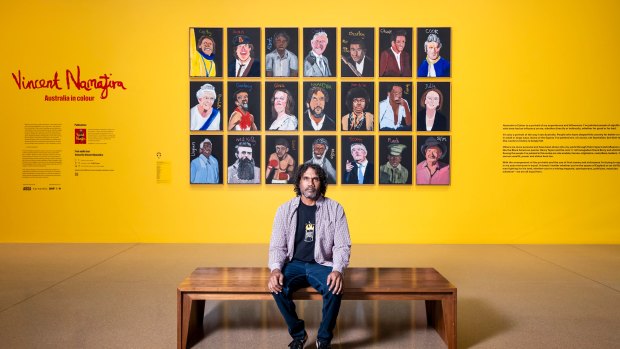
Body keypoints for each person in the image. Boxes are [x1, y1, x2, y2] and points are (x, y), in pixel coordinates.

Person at [268, 163, 351, 349]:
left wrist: (338, 270)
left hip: (321, 264)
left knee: (334, 287)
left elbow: (342, 245)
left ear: (321, 182)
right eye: (306, 178)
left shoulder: (335, 209)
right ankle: (298, 334)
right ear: (299, 181)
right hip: (293, 264)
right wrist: (275, 269)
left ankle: (323, 338)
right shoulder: (284, 210)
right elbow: (277, 246)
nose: (310, 183)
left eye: (315, 179)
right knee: (276, 286)